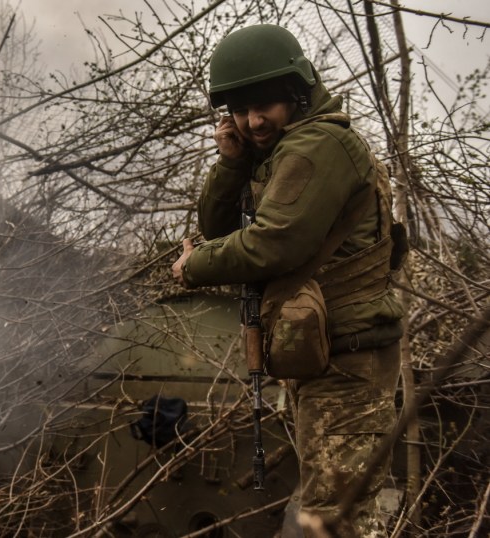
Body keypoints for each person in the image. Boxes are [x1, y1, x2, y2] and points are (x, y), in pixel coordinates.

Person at [171, 24, 404, 537]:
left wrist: (195, 266)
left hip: (350, 364)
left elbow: (272, 245)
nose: (252, 120)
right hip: (328, 360)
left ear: (297, 93)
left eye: (265, 106)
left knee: (335, 521)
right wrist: (232, 164)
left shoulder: (317, 146)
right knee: (327, 513)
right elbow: (219, 229)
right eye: (239, 109)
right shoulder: (282, 149)